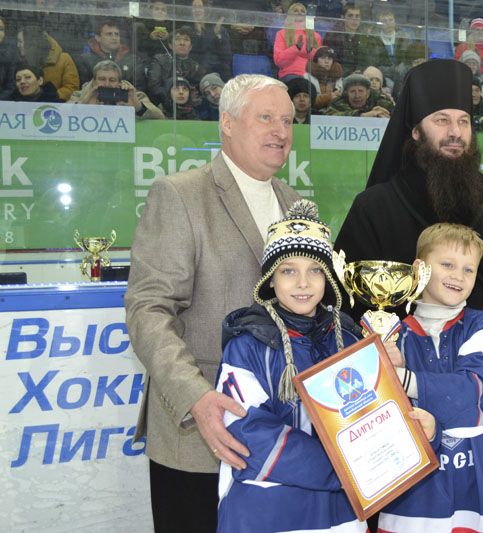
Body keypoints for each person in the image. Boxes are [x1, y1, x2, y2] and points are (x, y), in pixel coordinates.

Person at [334, 59, 483, 532]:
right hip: (403, 412)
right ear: (414, 132)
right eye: (441, 120)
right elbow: (348, 309)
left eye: (464, 121)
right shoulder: (375, 207)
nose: (455, 132)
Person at [125, 74, 301, 533]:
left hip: (280, 437)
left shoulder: (297, 204)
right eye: (266, 117)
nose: (280, 131)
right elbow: (148, 308)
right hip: (201, 434)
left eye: (287, 120)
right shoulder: (180, 194)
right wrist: (196, 397)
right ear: (227, 123)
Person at [215, 200, 369, 533]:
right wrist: (347, 468)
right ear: (270, 279)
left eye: (315, 270)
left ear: (328, 278)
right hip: (267, 512)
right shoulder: (246, 345)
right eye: (288, 271)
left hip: (341, 514)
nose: (303, 282)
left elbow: (376, 416)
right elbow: (248, 434)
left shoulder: (349, 338)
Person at [377, 223, 483, 532]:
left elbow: (481, 398)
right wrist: (388, 376)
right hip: (415, 489)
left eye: (468, 269)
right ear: (419, 269)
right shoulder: (394, 335)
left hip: (480, 482)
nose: (458, 275)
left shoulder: (482, 325)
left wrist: (403, 379)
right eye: (447, 264)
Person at [69, 60, 164, 120]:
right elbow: (62, 114)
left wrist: (138, 107)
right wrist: (83, 104)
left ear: (119, 82)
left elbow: (160, 117)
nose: (107, 84)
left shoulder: (132, 95)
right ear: (93, 81)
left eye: (112, 80)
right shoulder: (81, 94)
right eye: (102, 79)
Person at [147, 26, 206, 107]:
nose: (182, 43)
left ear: (190, 47)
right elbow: (154, 86)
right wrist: (173, 97)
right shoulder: (160, 60)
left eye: (186, 40)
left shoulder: (197, 67)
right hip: (163, 106)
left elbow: (199, 91)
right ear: (170, 45)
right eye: (177, 39)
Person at [17, 25, 79, 101]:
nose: (18, 45)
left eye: (20, 41)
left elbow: (72, 87)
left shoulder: (64, 59)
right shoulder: (20, 62)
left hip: (57, 105)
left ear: (32, 42)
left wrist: (51, 96)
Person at [76, 19, 145, 86]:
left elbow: (139, 87)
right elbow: (84, 87)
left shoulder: (132, 60)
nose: (114, 38)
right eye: (109, 34)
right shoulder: (86, 60)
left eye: (117, 34)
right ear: (98, 37)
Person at [273, 2, 322, 81]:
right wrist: (296, 48)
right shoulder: (281, 34)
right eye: (295, 11)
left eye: (302, 11)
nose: (299, 12)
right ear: (289, 15)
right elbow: (279, 61)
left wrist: (309, 50)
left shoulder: (316, 36)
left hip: (311, 74)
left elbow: (319, 61)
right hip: (289, 74)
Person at [187, 0, 232, 81]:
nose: (197, 10)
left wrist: (218, 35)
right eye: (194, 7)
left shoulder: (218, 29)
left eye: (200, 7)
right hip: (195, 73)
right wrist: (198, 34)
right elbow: (190, 55)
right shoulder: (187, 29)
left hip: (218, 73)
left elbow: (226, 55)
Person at [326, 72, 394, 117]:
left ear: (368, 93)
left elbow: (396, 115)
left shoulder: (379, 100)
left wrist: (385, 117)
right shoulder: (338, 102)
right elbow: (329, 117)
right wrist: (363, 115)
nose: (357, 95)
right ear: (347, 93)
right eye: (352, 91)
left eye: (361, 91)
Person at [305, 46, 343, 112]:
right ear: (316, 60)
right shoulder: (307, 77)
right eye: (322, 58)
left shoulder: (337, 77)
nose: (326, 61)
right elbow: (307, 101)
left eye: (329, 58)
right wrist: (329, 97)